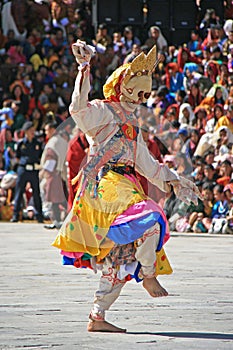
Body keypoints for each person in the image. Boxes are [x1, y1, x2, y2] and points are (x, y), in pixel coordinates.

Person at [52, 40, 202, 333]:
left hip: (124, 184)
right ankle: (148, 274)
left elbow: (147, 164)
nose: (142, 97)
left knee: (117, 259)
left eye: (146, 93)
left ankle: (97, 317)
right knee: (150, 219)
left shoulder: (134, 123)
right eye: (137, 90)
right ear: (121, 85)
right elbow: (77, 109)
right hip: (106, 185)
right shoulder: (104, 112)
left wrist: (176, 179)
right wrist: (84, 68)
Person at [11, 121, 43, 223]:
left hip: (33, 169)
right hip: (23, 169)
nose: (32, 132)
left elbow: (40, 156)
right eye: (30, 130)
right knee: (19, 192)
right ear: (25, 131)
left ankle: (39, 215)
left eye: (33, 130)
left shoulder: (37, 143)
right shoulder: (21, 143)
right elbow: (17, 157)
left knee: (36, 193)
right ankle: (16, 215)